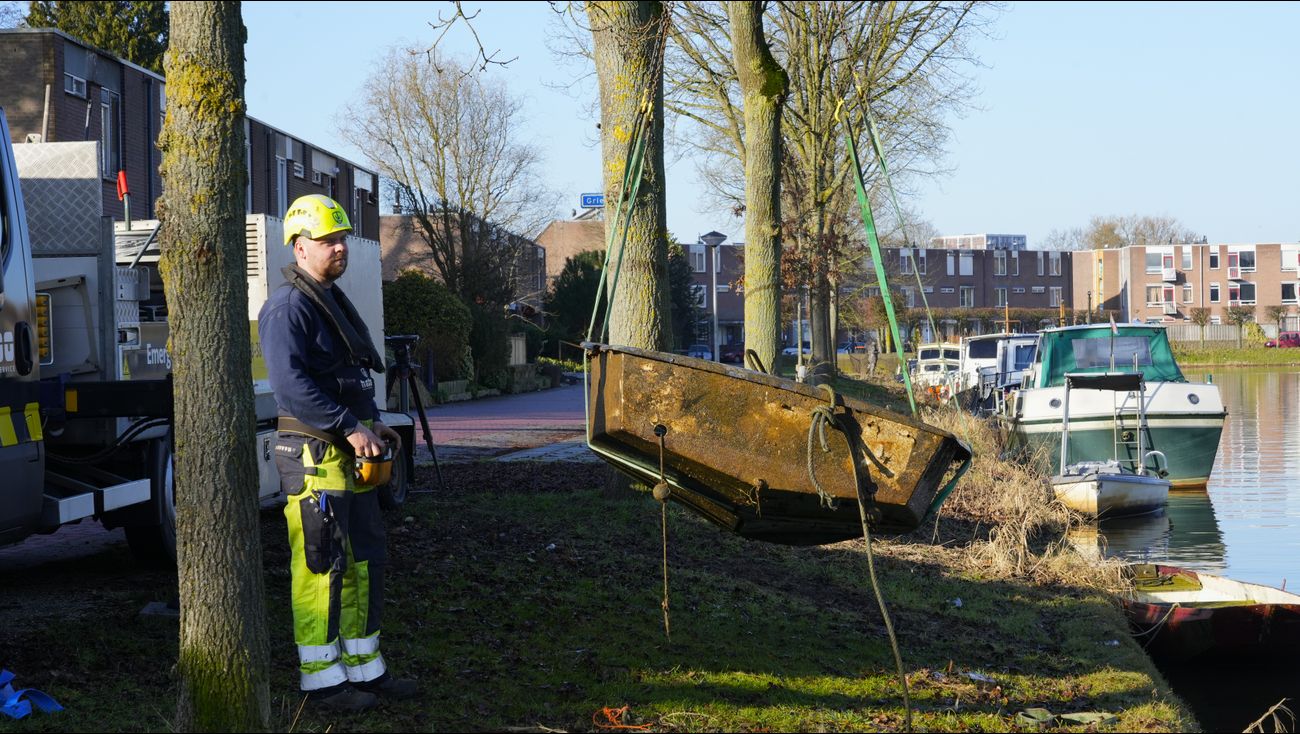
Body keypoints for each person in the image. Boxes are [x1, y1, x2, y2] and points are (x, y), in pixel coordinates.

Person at [259, 194, 416, 712]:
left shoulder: (326, 300)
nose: (340, 248)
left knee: (364, 561)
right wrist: (351, 427)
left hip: (345, 455)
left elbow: (345, 378)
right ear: (300, 249)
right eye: (329, 240)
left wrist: (372, 424)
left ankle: (366, 672)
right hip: (313, 456)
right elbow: (292, 387)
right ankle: (323, 684)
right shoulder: (287, 308)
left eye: (343, 239)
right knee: (321, 566)